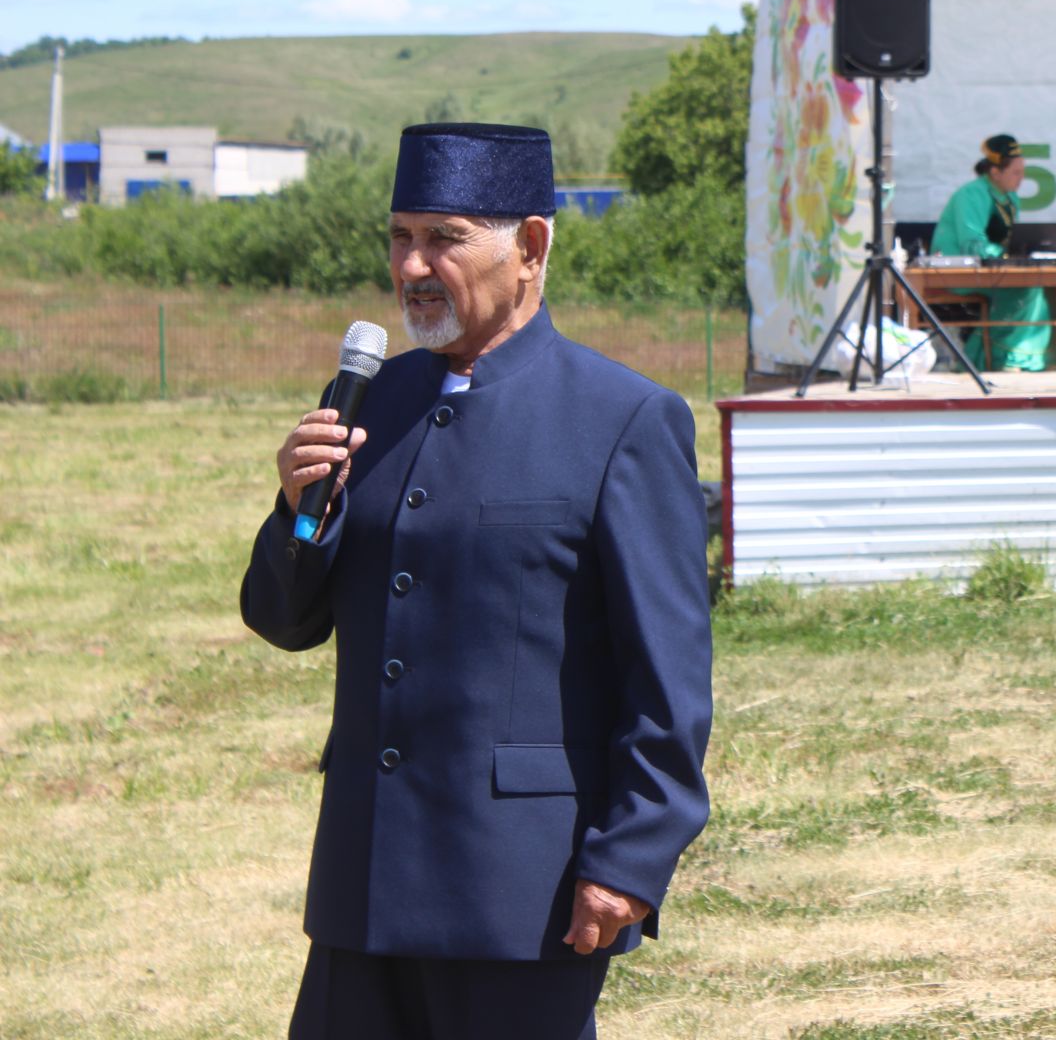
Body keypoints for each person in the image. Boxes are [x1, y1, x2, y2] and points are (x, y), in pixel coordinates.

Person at [239, 123, 712, 1040]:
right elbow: (284, 621)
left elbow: (668, 681)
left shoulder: (623, 419)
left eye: (444, 238)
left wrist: (629, 860)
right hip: (363, 883)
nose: (413, 266)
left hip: (518, 896)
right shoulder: (376, 401)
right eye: (399, 237)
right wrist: (301, 508)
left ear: (531, 247)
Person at [931, 133, 1055, 372]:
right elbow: (972, 244)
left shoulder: (1011, 198)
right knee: (1027, 286)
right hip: (959, 271)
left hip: (991, 269)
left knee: (1038, 282)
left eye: (1022, 171)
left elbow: (1009, 240)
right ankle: (1005, 356)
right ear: (995, 172)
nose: (1022, 178)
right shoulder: (971, 194)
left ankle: (1023, 354)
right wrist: (1007, 257)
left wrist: (1021, 253)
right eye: (1016, 173)